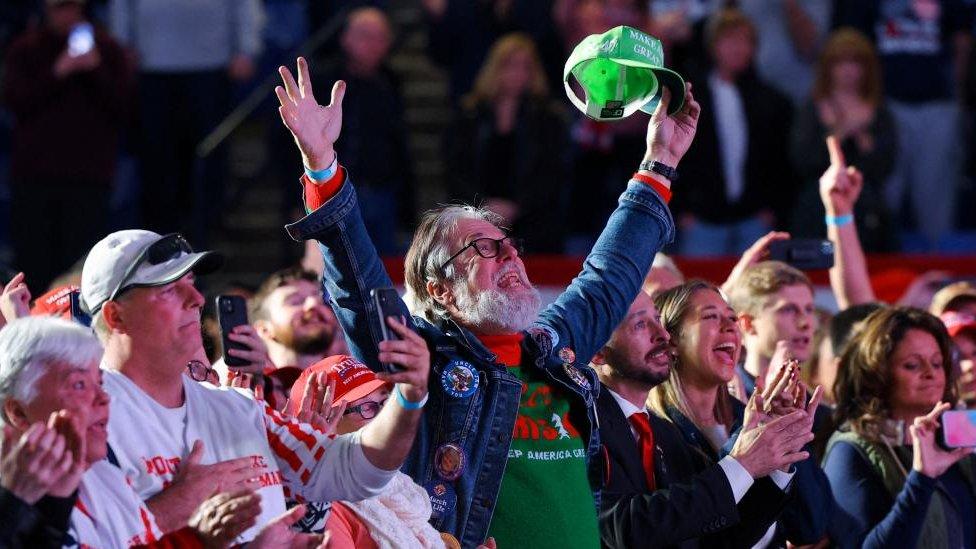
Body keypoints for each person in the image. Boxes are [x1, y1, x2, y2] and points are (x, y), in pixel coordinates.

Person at [274, 55, 700, 547]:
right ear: (440, 289)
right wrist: (322, 166)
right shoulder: (423, 362)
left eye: (509, 246)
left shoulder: (549, 347)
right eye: (484, 248)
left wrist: (660, 161)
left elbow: (610, 277)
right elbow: (358, 280)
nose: (510, 257)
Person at [79, 229, 426, 542]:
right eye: (170, 289)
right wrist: (176, 508)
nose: (197, 299)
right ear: (115, 316)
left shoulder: (238, 407)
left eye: (192, 284)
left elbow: (359, 470)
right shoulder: (87, 419)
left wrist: (409, 398)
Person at [0, 316, 328, 547]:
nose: (102, 398)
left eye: (99, 383)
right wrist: (13, 503)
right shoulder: (26, 492)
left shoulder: (103, 480)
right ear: (16, 412)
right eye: (79, 385)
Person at [591, 290, 819, 548]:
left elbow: (712, 541)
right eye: (641, 324)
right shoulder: (582, 426)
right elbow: (625, 530)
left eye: (658, 319)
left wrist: (778, 455)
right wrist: (742, 464)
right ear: (597, 351)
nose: (662, 335)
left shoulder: (663, 434)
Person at [650, 280, 832, 547]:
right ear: (672, 340)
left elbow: (809, 527)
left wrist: (786, 432)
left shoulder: (753, 415)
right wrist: (748, 441)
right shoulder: (654, 432)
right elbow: (699, 534)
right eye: (711, 316)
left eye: (732, 318)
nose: (729, 326)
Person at [285, 354, 480, 548]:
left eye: (385, 402)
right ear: (324, 427)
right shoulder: (324, 510)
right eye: (367, 407)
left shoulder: (402, 494)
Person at [3, 0, 132, 291]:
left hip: (89, 177)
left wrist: (95, 69)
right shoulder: (25, 50)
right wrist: (58, 71)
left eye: (73, 7)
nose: (67, 15)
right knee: (34, 264)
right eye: (60, 7)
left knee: (83, 268)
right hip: (35, 177)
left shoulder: (107, 50)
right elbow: (16, 102)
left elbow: (125, 108)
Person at [108, 0, 261, 243]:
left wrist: (247, 47)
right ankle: (159, 236)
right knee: (156, 159)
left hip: (211, 65)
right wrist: (121, 45)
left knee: (207, 158)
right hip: (152, 66)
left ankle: (204, 232)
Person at [823, 307, 976, 548]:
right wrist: (922, 478)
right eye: (913, 365)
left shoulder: (954, 440)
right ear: (877, 373)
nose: (931, 373)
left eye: (937, 363)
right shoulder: (850, 451)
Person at [837, 1, 973, 248]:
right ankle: (876, 265)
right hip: (886, 105)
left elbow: (962, 42)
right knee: (885, 195)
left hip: (937, 104)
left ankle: (936, 270)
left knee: (935, 201)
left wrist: (957, 96)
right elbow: (856, 44)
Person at [672, 8, 795, 256]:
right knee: (698, 291)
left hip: (754, 219)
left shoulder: (772, 101)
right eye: (729, 39)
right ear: (712, 45)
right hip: (701, 220)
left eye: (745, 40)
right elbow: (676, 152)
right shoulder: (689, 96)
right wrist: (681, 210)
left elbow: (780, 162)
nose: (737, 48)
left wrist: (771, 210)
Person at [446, 32, 569, 252]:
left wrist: (517, 207)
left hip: (534, 225)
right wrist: (484, 207)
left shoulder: (547, 118)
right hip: (475, 221)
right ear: (495, 68)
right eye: (510, 65)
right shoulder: (470, 115)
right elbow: (455, 169)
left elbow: (552, 172)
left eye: (525, 67)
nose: (518, 74)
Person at [311, 7, 414, 255]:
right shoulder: (325, 81)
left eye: (381, 37)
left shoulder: (390, 83)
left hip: (382, 191)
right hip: (336, 192)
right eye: (365, 36)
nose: (374, 44)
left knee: (385, 266)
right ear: (345, 38)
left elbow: (399, 144)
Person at [791, 28, 898, 252]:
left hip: (867, 208)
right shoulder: (813, 107)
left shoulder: (879, 110)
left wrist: (863, 139)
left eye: (856, 63)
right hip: (818, 207)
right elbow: (800, 159)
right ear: (828, 68)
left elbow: (887, 164)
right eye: (840, 63)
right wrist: (840, 132)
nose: (848, 71)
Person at [726, 260, 817, 400]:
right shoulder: (717, 405)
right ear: (747, 324)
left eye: (809, 309)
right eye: (788, 309)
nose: (805, 323)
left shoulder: (822, 416)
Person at [250, 267, 347, 371]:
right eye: (296, 301)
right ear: (264, 329)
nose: (313, 303)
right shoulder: (246, 385)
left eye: (320, 299)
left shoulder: (359, 379)